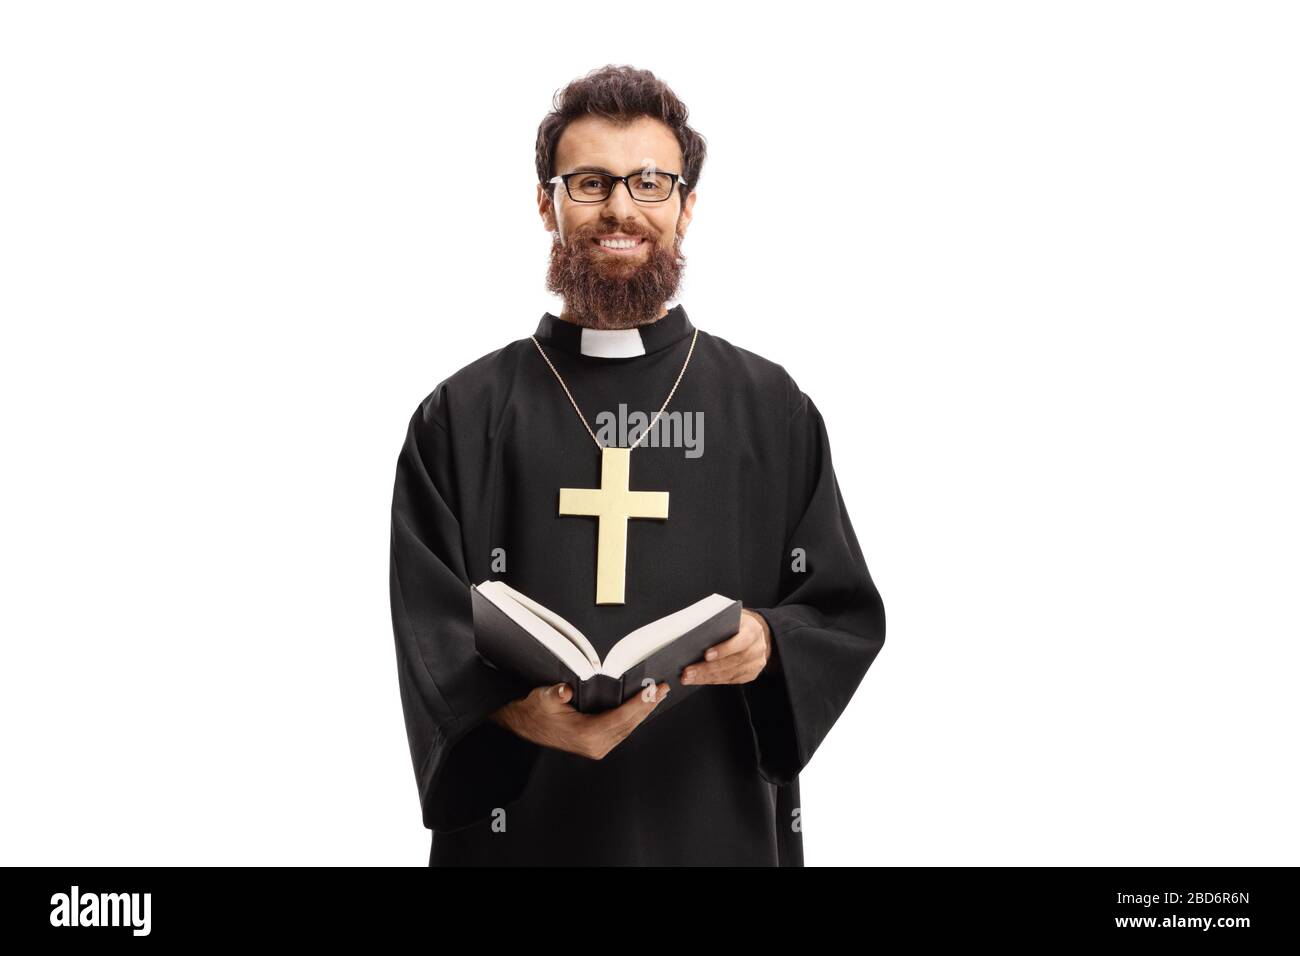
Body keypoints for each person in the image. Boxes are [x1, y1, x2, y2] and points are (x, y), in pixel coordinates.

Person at [389, 64, 886, 866]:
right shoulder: (463, 413)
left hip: (712, 821)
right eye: (590, 182)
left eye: (650, 182)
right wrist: (515, 719)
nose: (621, 207)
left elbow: (839, 608)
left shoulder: (769, 407)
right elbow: (427, 626)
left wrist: (767, 639)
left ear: (686, 207)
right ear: (546, 203)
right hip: (524, 832)